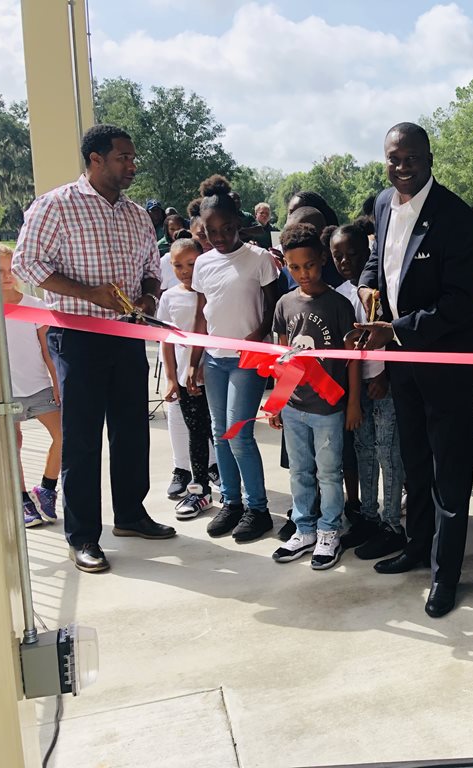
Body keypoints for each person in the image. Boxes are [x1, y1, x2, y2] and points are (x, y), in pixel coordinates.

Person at [12, 124, 174, 573]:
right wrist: (89, 293)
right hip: (76, 336)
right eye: (123, 157)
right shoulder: (55, 205)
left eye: (132, 157)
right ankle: (83, 536)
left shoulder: (138, 215)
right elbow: (27, 263)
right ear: (95, 159)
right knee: (82, 439)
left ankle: (131, 515)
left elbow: (150, 269)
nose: (132, 165)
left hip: (127, 334)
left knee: (131, 430)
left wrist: (147, 295)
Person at [354, 122, 473, 618]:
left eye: (411, 157)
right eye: (393, 158)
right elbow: (376, 263)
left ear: (429, 158)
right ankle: (416, 547)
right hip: (404, 363)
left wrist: (395, 328)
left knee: (449, 472)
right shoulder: (384, 204)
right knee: (414, 461)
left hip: (447, 363)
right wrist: (369, 287)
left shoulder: (459, 218)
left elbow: (457, 304)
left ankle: (445, 573)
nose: (402, 167)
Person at [187, 174, 280, 543]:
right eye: (211, 231)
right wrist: (193, 360)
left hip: (247, 360)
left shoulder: (258, 259)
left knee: (238, 434)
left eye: (227, 228)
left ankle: (258, 509)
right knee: (219, 435)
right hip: (213, 359)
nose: (220, 236)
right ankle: (232, 502)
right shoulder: (203, 264)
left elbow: (274, 309)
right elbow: (200, 314)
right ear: (203, 231)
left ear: (239, 223)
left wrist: (255, 341)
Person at [269, 223, 360, 570]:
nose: (303, 273)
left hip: (328, 408)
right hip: (294, 407)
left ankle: (329, 530)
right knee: (299, 472)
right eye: (294, 267)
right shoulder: (283, 304)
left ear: (322, 260)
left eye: (308, 265)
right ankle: (305, 528)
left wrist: (352, 403)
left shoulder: (339, 305)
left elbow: (351, 358)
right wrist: (276, 402)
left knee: (328, 472)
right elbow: (282, 358)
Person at [328, 223, 406, 561]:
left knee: (388, 453)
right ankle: (369, 517)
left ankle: (393, 525)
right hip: (357, 390)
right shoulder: (342, 295)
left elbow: (397, 336)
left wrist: (386, 375)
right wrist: (353, 393)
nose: (346, 261)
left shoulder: (384, 290)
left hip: (384, 387)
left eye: (353, 253)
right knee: (364, 452)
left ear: (369, 252)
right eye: (338, 255)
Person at [0, 246, 62, 528]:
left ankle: (47, 489)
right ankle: (23, 500)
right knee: (13, 445)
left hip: (39, 388)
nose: (6, 276)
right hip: (3, 391)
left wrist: (57, 382)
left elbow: (47, 350)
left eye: (10, 269)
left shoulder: (35, 306)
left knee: (64, 437)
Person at [158, 237, 216, 521]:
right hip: (186, 381)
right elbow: (165, 342)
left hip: (216, 376)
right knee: (195, 434)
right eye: (178, 265)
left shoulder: (214, 293)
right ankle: (199, 487)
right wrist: (171, 378)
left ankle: (229, 486)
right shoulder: (169, 297)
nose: (185, 270)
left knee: (220, 434)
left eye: (191, 264)